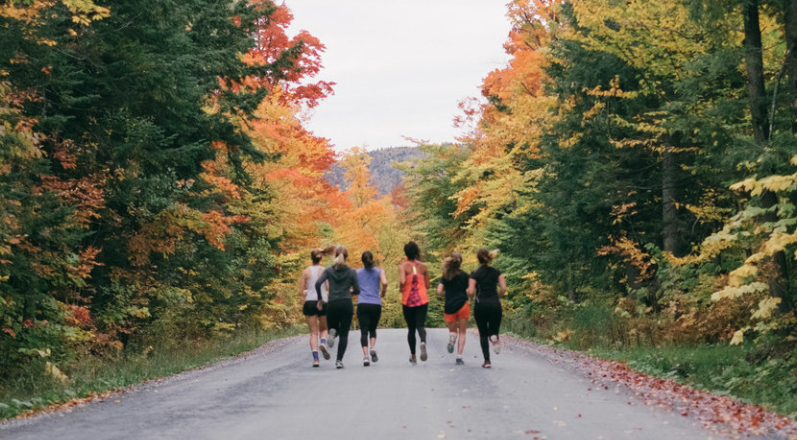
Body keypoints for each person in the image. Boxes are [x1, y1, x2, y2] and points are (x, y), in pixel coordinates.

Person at [316, 244, 360, 369]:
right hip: (346, 303)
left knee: (333, 328)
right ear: (346, 257)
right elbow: (357, 290)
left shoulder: (329, 270)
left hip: (332, 303)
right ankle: (339, 360)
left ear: (335, 255)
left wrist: (320, 299)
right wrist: (349, 292)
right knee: (344, 334)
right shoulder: (352, 272)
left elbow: (318, 283)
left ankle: (331, 334)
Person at [467, 248, 507, 369]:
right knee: (493, 330)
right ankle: (494, 337)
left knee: (483, 333)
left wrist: (472, 298)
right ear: (489, 257)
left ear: (477, 258)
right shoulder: (497, 272)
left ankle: (487, 361)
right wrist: (498, 296)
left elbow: (470, 291)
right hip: (495, 303)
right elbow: (504, 288)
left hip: (481, 304)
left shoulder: (474, 274)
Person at [298, 248, 331, 367]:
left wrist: (307, 292)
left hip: (310, 302)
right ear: (321, 258)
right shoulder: (324, 271)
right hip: (322, 301)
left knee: (313, 332)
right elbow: (327, 287)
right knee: (324, 329)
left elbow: (301, 291)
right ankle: (323, 342)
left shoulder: (306, 272)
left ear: (311, 258)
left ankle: (316, 359)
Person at [399, 241, 430, 364]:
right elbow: (427, 285)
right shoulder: (423, 267)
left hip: (408, 300)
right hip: (422, 299)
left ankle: (413, 356)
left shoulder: (403, 266)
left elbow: (402, 281)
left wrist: (401, 288)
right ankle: (422, 342)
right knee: (420, 325)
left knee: (411, 328)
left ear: (406, 253)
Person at [436, 252, 470, 365]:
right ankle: (459, 357)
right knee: (463, 333)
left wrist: (447, 293)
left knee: (453, 331)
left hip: (449, 306)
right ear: (461, 262)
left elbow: (439, 291)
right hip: (463, 306)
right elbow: (470, 291)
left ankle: (452, 340)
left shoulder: (446, 275)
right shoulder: (465, 276)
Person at [356, 251, 387, 366]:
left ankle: (365, 357)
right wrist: (382, 292)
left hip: (362, 303)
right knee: (372, 329)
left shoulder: (357, 272)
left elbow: (352, 287)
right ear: (372, 259)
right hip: (375, 303)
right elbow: (385, 282)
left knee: (364, 331)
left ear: (362, 261)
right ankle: (372, 347)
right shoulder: (379, 271)